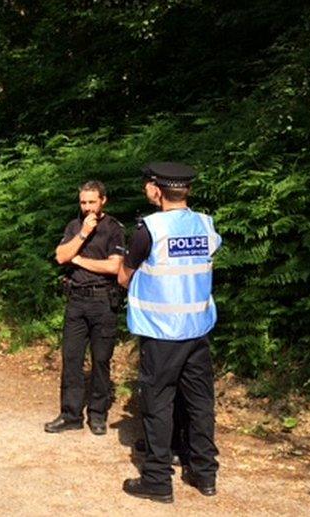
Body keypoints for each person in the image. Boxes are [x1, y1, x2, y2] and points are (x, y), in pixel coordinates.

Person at [118, 162, 221, 504]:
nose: (146, 189)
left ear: (157, 190)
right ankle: (204, 473)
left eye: (148, 184)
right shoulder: (206, 225)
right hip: (198, 331)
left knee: (158, 404)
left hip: (162, 334)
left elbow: (125, 275)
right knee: (200, 402)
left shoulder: (149, 229)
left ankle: (158, 480)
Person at [46, 180, 126, 436]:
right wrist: (82, 234)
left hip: (103, 301)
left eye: (92, 202)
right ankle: (70, 414)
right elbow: (60, 256)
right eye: (83, 202)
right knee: (71, 359)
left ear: (103, 201)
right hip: (76, 301)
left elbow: (114, 267)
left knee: (101, 360)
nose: (87, 207)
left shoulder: (114, 229)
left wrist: (78, 258)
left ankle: (97, 414)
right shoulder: (74, 226)